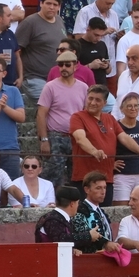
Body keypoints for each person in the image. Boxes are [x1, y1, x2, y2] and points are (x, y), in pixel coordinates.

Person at [71, 84, 139, 204]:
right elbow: (80, 138)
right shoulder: (77, 117)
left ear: (105, 103)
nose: (93, 103)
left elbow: (124, 137)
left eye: (97, 100)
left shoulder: (110, 119)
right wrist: (95, 151)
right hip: (85, 179)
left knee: (105, 212)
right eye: (90, 98)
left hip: (106, 179)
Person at [36, 49, 88, 186]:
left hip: (76, 137)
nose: (63, 68)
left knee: (76, 176)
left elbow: (86, 113)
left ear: (75, 66)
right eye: (60, 65)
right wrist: (44, 140)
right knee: (51, 177)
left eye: (67, 64)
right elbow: (41, 114)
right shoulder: (50, 87)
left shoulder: (83, 87)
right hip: (55, 136)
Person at [16, 0, 67, 107]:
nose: (51, 7)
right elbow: (16, 51)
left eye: (55, 5)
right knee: (53, 105)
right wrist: (20, 76)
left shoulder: (59, 20)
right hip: (34, 78)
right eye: (48, 3)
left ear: (59, 7)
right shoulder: (30, 22)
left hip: (57, 78)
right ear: (41, 3)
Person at [112, 93, 139, 205]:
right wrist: (111, 163)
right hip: (122, 174)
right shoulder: (116, 126)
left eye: (136, 105)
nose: (133, 108)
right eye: (129, 106)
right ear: (122, 109)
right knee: (121, 208)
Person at [71, 172, 118, 255]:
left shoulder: (101, 212)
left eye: (104, 188)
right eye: (98, 188)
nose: (103, 192)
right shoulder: (80, 210)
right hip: (89, 257)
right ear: (87, 190)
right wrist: (105, 243)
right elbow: (83, 233)